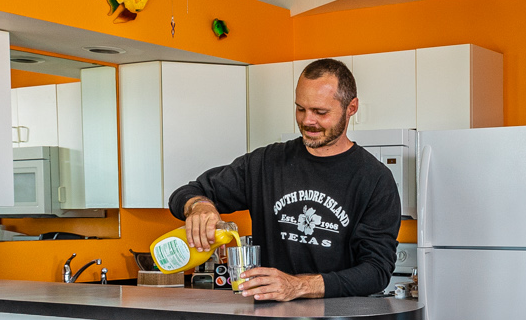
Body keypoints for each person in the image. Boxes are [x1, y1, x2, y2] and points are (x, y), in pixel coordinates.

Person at [169, 58, 399, 301]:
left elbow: (376, 271)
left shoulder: (375, 179)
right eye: (300, 109)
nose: (307, 121)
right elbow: (185, 194)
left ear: (351, 107)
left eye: (320, 112)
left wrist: (299, 286)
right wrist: (199, 206)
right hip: (270, 319)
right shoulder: (266, 163)